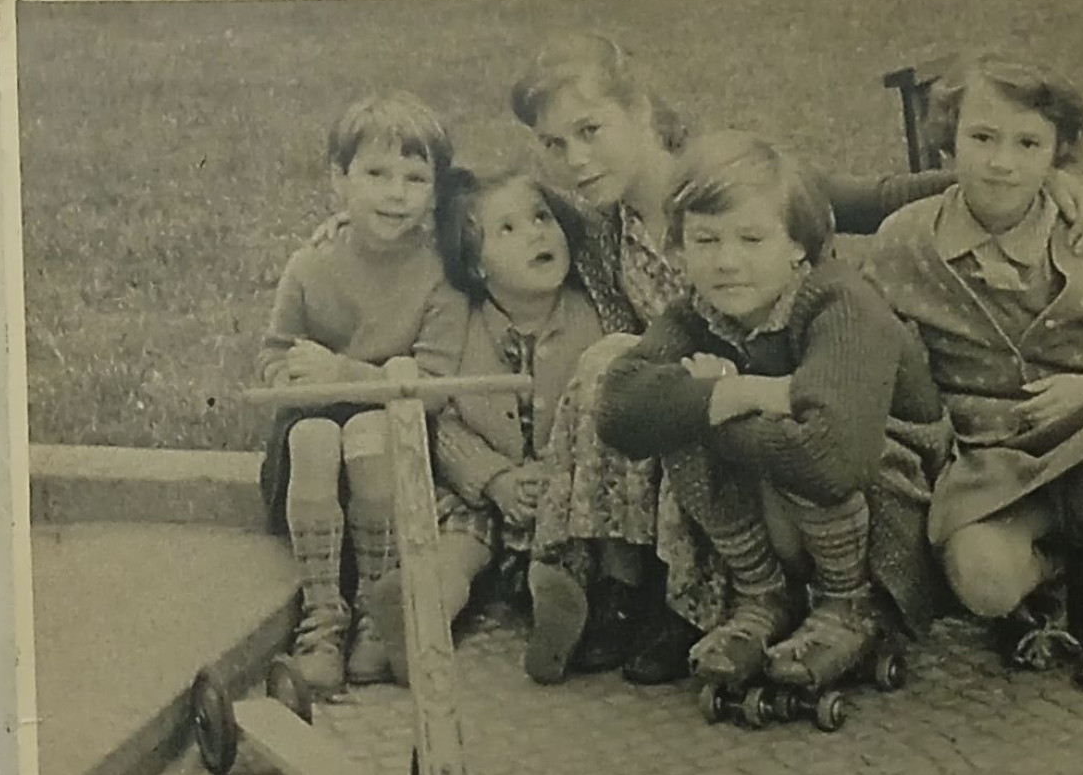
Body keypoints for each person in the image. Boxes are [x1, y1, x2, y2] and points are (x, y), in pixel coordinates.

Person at [508, 32, 1083, 685]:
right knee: (617, 366)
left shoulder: (752, 183)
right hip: (709, 407)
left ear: (639, 111)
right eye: (554, 144)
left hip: (809, 400)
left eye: (589, 131)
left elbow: (884, 195)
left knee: (630, 369)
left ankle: (699, 599)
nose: (575, 159)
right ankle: (619, 583)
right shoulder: (598, 228)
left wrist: (1039, 180)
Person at [864, 52, 1083, 667]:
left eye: (1028, 143)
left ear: (1058, 154)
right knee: (982, 582)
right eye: (982, 138)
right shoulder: (906, 243)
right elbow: (871, 359)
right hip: (989, 470)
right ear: (948, 138)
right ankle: (1063, 577)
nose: (1002, 163)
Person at [596, 131, 950, 694]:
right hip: (787, 500)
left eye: (752, 239)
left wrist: (715, 407)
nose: (727, 261)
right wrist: (743, 394)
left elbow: (831, 460)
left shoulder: (839, 302)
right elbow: (617, 408)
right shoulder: (699, 311)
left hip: (888, 506)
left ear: (797, 246)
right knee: (686, 411)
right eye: (705, 240)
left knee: (710, 413)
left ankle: (847, 607)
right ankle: (762, 596)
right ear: (680, 249)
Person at [255, 92, 463, 695]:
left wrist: (344, 375)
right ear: (339, 181)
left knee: (372, 428)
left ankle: (377, 610)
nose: (395, 193)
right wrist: (292, 380)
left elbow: (430, 386)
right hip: (309, 460)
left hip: (389, 454)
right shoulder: (311, 265)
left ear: (434, 191)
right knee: (319, 435)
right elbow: (274, 354)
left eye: (415, 178)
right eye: (376, 174)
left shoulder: (438, 276)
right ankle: (323, 621)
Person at [368, 170, 604, 685]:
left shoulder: (590, 318)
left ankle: (556, 619)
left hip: (560, 489)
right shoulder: (465, 327)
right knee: (457, 547)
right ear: (478, 266)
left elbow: (601, 412)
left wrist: (554, 475)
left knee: (569, 546)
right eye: (509, 229)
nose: (537, 234)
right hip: (482, 495)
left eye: (542, 218)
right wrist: (493, 478)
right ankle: (420, 618)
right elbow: (447, 424)